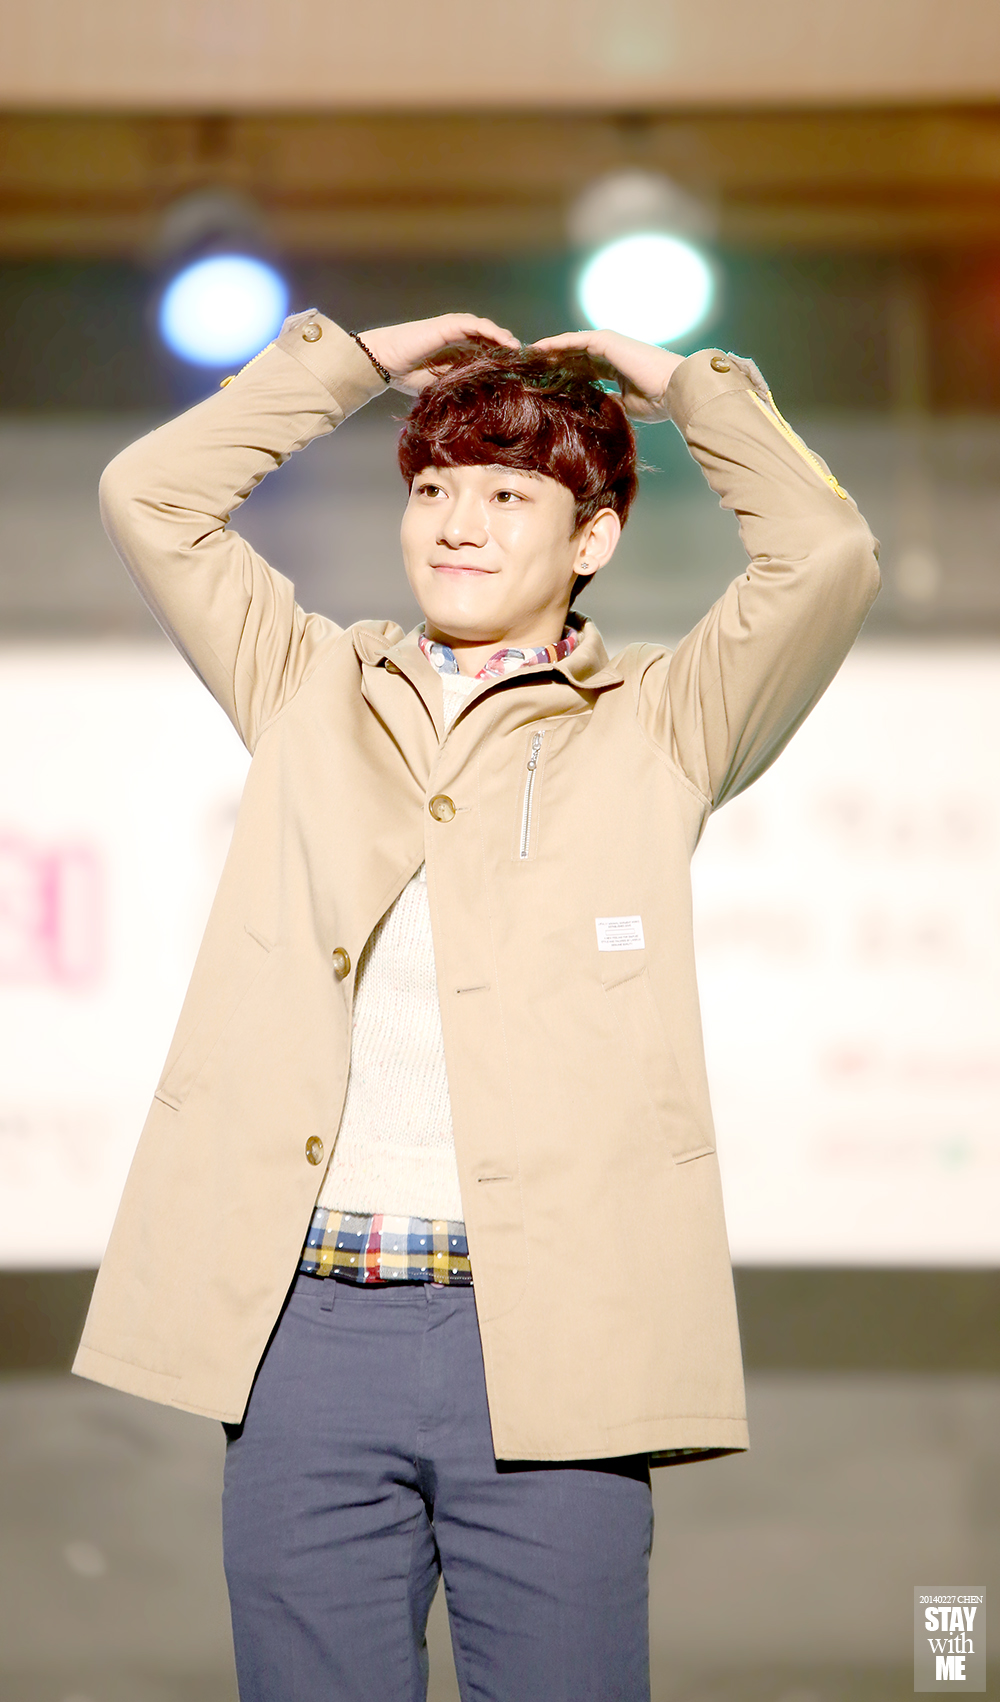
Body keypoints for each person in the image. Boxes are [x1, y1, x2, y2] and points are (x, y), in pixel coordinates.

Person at [74, 307, 880, 1702]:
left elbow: (828, 554)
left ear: (593, 539)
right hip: (305, 1336)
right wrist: (355, 363)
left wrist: (679, 383)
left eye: (510, 496)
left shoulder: (661, 722)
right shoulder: (310, 684)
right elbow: (149, 494)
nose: (457, 523)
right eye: (436, 488)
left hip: (558, 1337)